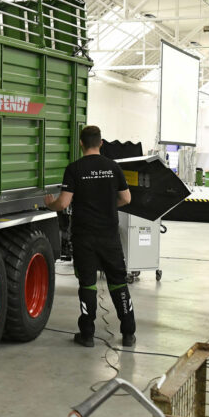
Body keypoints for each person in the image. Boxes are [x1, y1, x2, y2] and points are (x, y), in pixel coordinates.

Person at [45, 125, 135, 348]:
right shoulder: (113, 167)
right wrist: (106, 205)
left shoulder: (74, 168)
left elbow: (64, 203)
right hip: (109, 237)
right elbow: (126, 199)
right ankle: (128, 333)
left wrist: (50, 205)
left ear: (81, 144)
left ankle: (87, 334)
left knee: (88, 284)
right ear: (101, 143)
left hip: (84, 236)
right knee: (118, 283)